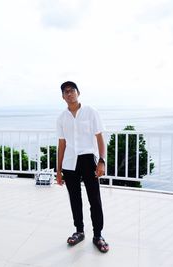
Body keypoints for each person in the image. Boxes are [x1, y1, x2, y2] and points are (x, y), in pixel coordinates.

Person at [56, 81, 109, 253]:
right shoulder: (61, 118)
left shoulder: (90, 112)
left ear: (78, 93)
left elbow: (100, 137)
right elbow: (62, 145)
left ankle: (98, 235)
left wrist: (101, 160)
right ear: (63, 97)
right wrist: (58, 171)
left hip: (88, 159)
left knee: (94, 199)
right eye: (66, 92)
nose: (69, 94)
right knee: (75, 199)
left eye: (72, 91)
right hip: (69, 162)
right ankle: (79, 231)